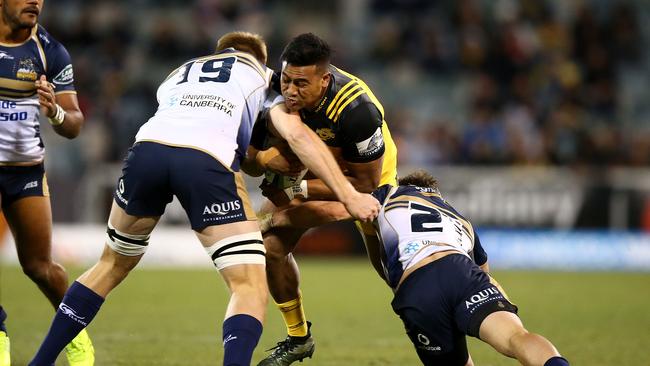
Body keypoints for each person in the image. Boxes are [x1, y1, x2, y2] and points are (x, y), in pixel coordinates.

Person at [27, 31, 379, 366]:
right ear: (262, 58)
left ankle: (41, 360)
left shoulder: (179, 73)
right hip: (203, 159)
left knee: (109, 264)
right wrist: (348, 195)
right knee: (249, 286)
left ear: (218, 52)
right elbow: (297, 135)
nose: (287, 86)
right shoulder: (265, 77)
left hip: (145, 151)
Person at [263, 170, 570, 366]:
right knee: (517, 338)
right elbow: (486, 273)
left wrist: (276, 219)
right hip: (461, 271)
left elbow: (332, 210)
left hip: (417, 286)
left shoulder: (386, 194)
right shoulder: (460, 219)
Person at [244, 33, 398, 366]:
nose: (291, 91)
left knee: (391, 274)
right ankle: (298, 338)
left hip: (367, 183)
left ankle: (437, 326)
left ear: (324, 79)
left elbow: (363, 186)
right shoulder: (273, 92)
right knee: (269, 247)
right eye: (286, 80)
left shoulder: (358, 111)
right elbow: (251, 163)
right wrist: (267, 161)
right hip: (311, 172)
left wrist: (294, 190)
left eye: (301, 84)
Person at [0, 0, 93, 364]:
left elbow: (75, 122)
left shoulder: (49, 50)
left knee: (40, 267)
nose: (35, 1)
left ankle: (75, 333)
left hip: (25, 171)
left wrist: (54, 111)